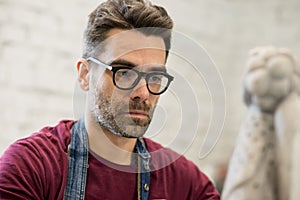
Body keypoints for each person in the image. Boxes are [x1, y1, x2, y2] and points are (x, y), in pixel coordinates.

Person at [0, 0, 220, 199]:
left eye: (154, 77)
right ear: (85, 75)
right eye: (124, 72)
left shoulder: (185, 183)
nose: (143, 93)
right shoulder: (30, 167)